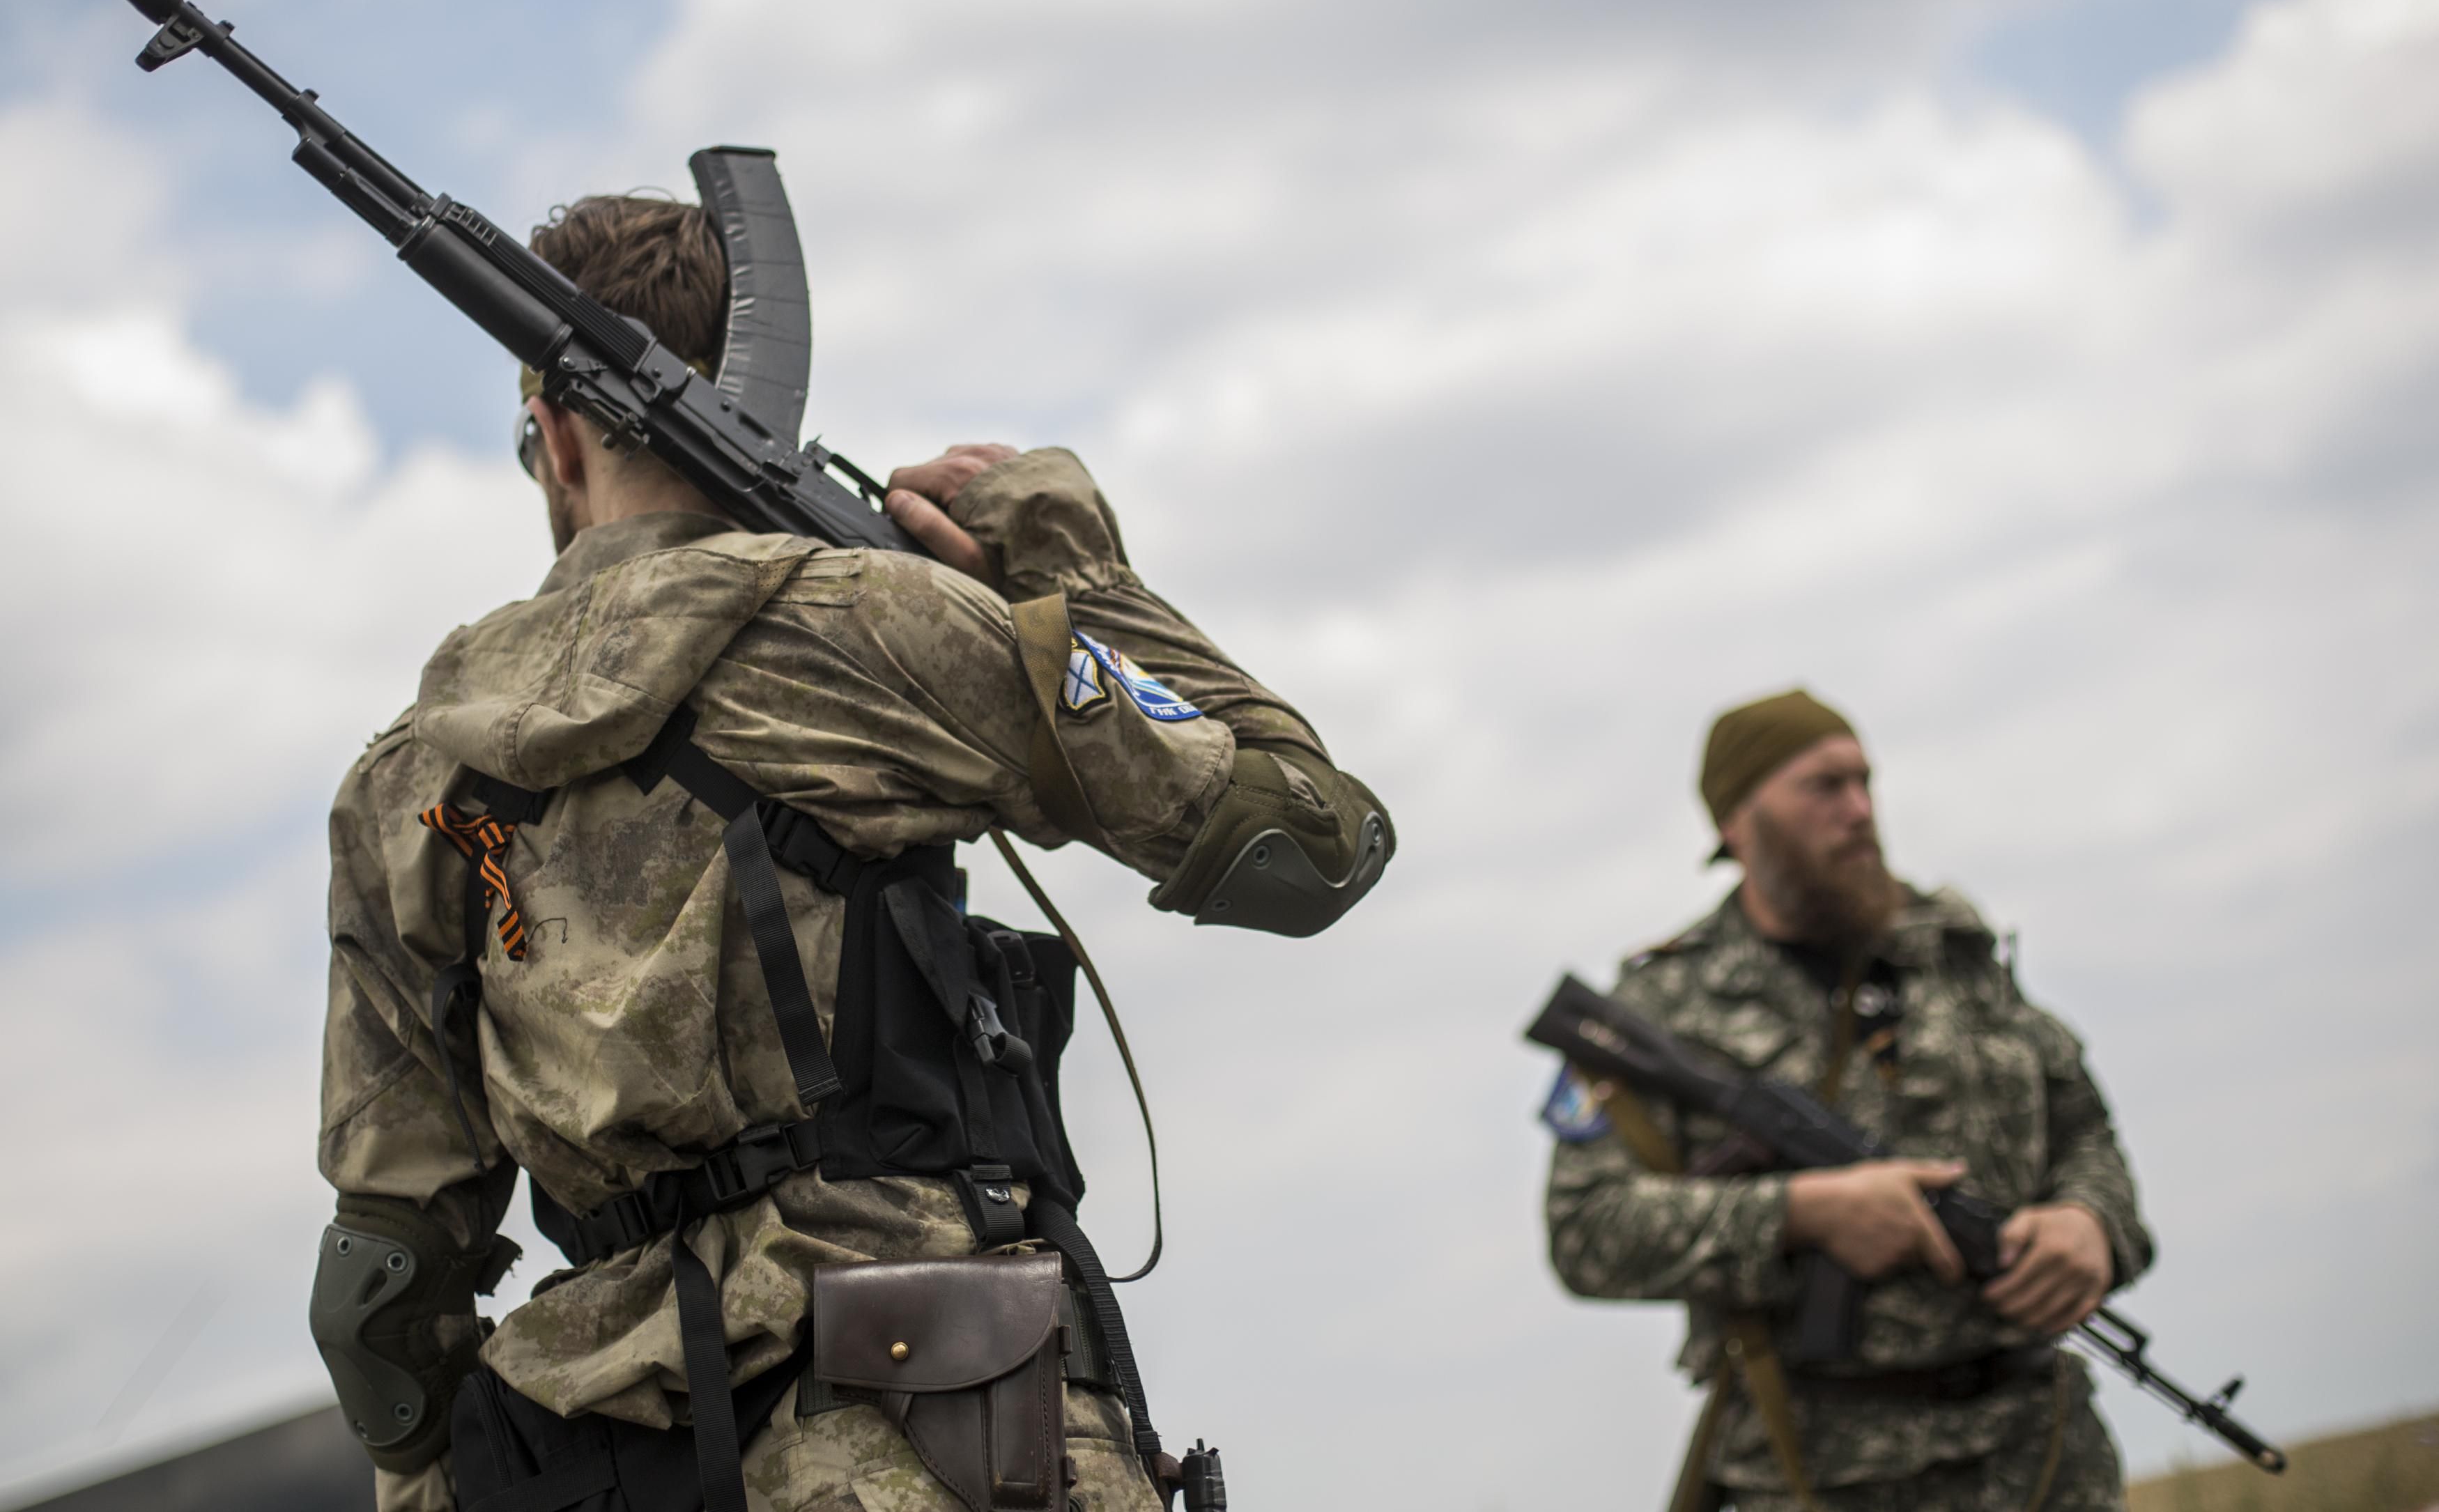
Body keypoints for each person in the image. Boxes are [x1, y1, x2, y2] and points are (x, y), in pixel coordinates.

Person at [311, 194, 1393, 1512]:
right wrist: (1070, 570)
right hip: (938, 1432)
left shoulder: (409, 782)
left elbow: (383, 1281)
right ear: (755, 402)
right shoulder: (884, 628)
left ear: (549, 435)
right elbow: (1312, 842)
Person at [1543, 690, 2150, 1512]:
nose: (1859, 810)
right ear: (1734, 821)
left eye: (1864, 782)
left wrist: (2089, 1223)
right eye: (1822, 786)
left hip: (2038, 1459)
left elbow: (2084, 1130)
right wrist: (1800, 1212)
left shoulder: (1957, 955)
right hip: (1813, 1471)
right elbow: (1586, 1231)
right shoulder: (1661, 1007)